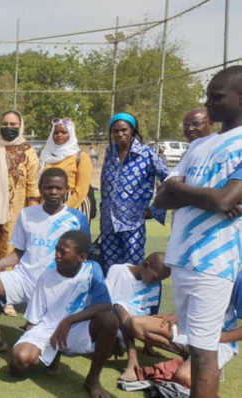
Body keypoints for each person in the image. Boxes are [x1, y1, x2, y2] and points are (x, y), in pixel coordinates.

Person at [152, 66, 242, 398]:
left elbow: (225, 200)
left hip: (213, 261)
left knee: (205, 356)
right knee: (195, 348)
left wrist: (188, 189)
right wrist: (206, 194)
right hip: (184, 260)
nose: (208, 104)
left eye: (216, 97)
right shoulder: (199, 146)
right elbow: (163, 196)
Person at [0, 168, 89, 352]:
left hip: (55, 286)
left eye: (58, 188)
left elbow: (83, 259)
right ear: (40, 189)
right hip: (24, 278)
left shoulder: (77, 218)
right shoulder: (27, 214)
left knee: (37, 349)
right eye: (48, 187)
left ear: (66, 189)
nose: (53, 192)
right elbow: (18, 252)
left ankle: (44, 343)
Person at [10, 231, 117, 398]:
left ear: (81, 257)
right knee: (19, 362)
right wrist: (33, 343)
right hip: (48, 328)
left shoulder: (92, 269)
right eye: (56, 249)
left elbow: (105, 305)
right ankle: (53, 357)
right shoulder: (47, 275)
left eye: (63, 252)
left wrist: (69, 321)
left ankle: (93, 379)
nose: (57, 255)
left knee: (110, 319)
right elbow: (33, 318)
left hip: (77, 327)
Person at [125, 277, 242, 389]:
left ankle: (211, 367)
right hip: (189, 329)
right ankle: (191, 357)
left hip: (217, 341)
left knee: (183, 376)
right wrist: (179, 314)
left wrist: (210, 339)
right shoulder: (200, 267)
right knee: (134, 324)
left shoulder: (237, 278)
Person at [100, 112, 168, 269]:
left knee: (133, 267)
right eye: (115, 131)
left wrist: (155, 208)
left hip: (133, 222)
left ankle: (131, 294)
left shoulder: (145, 153)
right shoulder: (109, 152)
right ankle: (112, 294)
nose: (120, 134)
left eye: (124, 130)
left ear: (133, 130)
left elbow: (169, 179)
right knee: (111, 268)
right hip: (108, 222)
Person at [0, 110, 39, 298]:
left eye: (13, 125)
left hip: (17, 209)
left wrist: (32, 213)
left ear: (20, 126)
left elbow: (33, 185)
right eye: (5, 124)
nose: (9, 128)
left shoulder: (28, 151)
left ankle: (6, 294)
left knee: (10, 247)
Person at [104, 252, 169, 382]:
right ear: (146, 265)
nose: (154, 282)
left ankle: (187, 355)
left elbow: (151, 313)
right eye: (154, 278)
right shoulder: (118, 270)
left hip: (136, 327)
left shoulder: (155, 284)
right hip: (113, 321)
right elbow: (106, 301)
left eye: (159, 280)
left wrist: (148, 346)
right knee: (119, 305)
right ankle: (131, 358)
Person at [39, 118, 94, 219]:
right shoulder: (46, 157)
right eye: (56, 132)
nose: (59, 135)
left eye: (64, 132)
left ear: (71, 134)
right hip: (48, 206)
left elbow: (82, 189)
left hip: (74, 206)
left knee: (71, 235)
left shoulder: (81, 157)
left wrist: (63, 209)